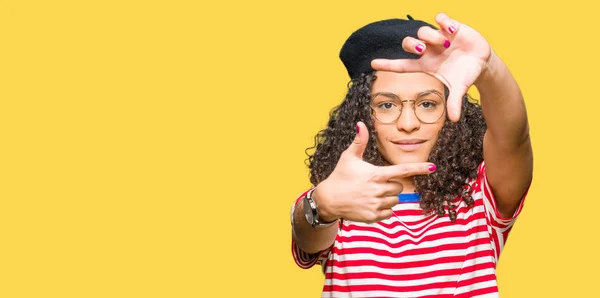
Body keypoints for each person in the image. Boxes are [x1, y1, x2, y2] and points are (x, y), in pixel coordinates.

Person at [289, 13, 533, 298]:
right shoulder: (345, 196)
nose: (408, 123)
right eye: (387, 105)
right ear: (363, 115)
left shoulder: (480, 196)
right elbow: (307, 236)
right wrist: (322, 205)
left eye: (427, 103)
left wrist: (489, 68)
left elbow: (513, 138)